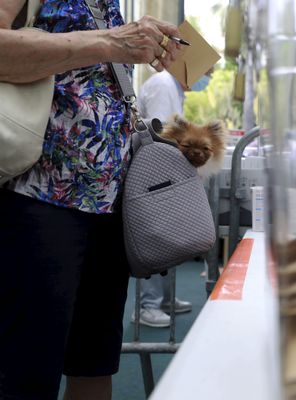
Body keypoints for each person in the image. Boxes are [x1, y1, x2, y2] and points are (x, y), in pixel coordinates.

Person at [0, 1, 183, 399]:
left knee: (94, 364)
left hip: (107, 201)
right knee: (28, 372)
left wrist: (134, 47)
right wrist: (109, 41)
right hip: (40, 196)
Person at [134, 69, 213, 328]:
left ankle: (165, 298)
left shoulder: (173, 88)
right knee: (157, 237)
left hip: (164, 172)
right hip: (156, 173)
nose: (208, 77)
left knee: (171, 237)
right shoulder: (164, 85)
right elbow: (161, 133)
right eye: (208, 71)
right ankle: (148, 306)